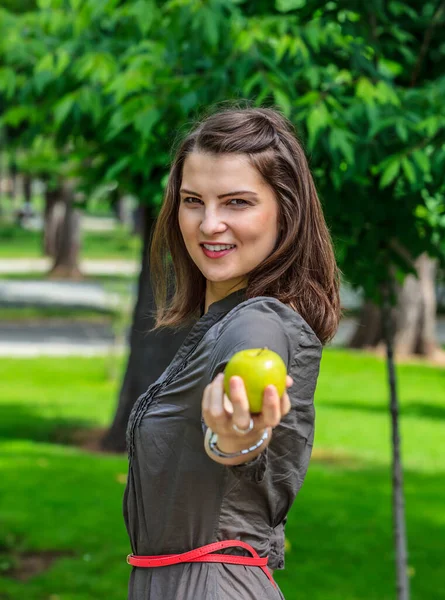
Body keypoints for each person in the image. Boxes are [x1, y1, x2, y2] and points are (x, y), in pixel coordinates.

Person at [123, 105, 341, 599]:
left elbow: (245, 404)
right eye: (193, 200)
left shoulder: (260, 321)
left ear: (286, 209)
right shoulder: (223, 318)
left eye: (237, 202)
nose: (209, 224)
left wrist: (235, 433)